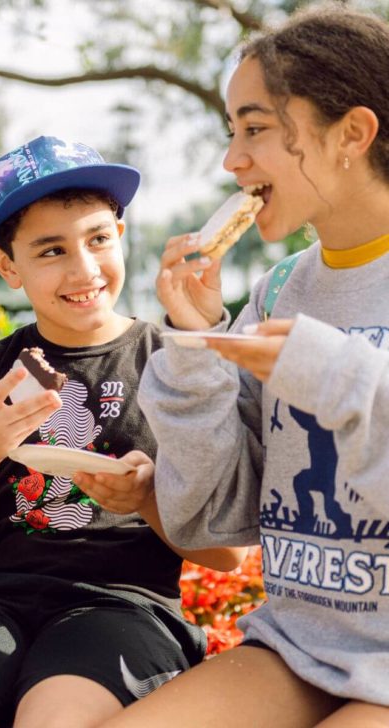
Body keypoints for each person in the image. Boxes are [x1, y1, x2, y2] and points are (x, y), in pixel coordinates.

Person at [0, 135, 247, 728]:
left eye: (98, 239)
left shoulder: (171, 360)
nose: (84, 268)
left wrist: (145, 498)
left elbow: (227, 553)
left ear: (121, 234)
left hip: (123, 606)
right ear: (8, 265)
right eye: (51, 249)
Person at [101, 5, 389, 728]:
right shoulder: (281, 289)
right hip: (296, 646)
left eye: (255, 128)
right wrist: (196, 345)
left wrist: (334, 373)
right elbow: (215, 521)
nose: (232, 161)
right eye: (232, 131)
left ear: (352, 133)